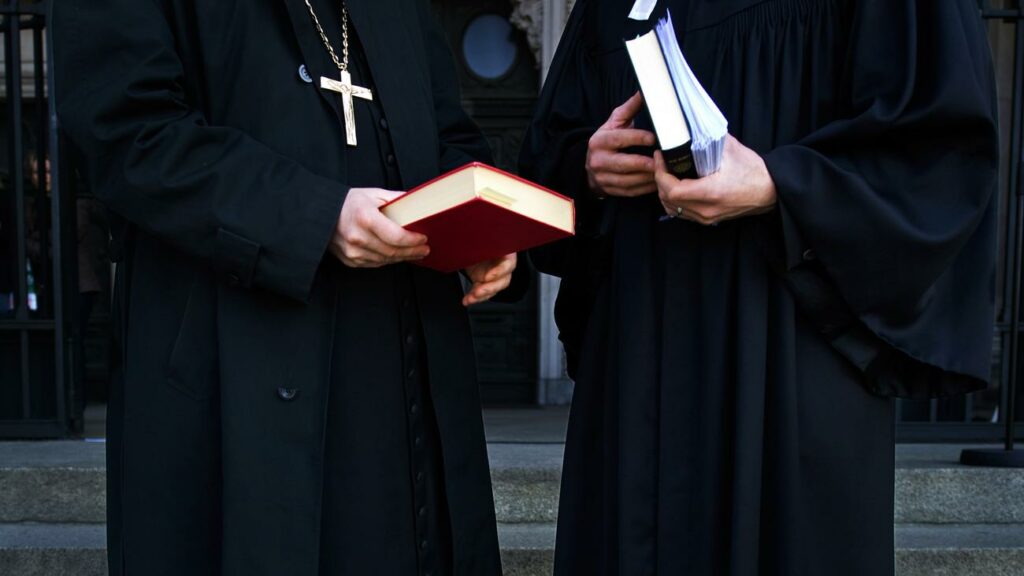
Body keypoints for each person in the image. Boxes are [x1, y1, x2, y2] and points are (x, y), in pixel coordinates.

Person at [520, 1, 999, 575]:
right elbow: (548, 156)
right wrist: (587, 167)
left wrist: (780, 183)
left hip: (791, 346)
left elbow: (939, 147)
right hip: (637, 359)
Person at [54, 0, 521, 574]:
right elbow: (128, 132)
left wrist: (480, 223)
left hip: (401, 360)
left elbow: (445, 130)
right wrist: (316, 216)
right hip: (234, 360)